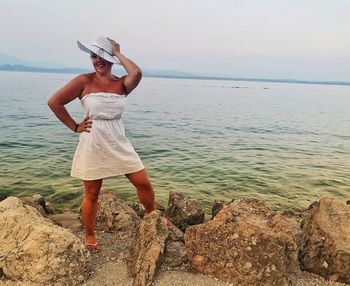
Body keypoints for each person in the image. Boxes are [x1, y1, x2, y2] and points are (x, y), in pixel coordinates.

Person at [48, 36, 156, 252]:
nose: (97, 60)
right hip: (93, 141)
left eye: (102, 56)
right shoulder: (84, 81)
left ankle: (152, 216)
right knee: (92, 193)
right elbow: (54, 102)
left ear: (111, 59)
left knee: (142, 182)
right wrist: (75, 126)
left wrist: (117, 52)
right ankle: (89, 234)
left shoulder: (121, 83)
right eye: (93, 56)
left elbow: (137, 73)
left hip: (118, 139)